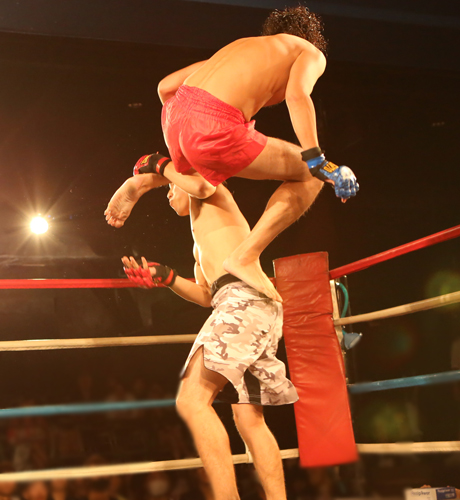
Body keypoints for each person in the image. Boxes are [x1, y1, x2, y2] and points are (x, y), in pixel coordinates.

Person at [105, 6, 359, 302]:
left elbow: (165, 88)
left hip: (174, 116)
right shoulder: (308, 51)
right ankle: (246, 256)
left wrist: (188, 129)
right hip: (214, 123)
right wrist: (317, 161)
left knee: (201, 177)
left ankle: (145, 179)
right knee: (309, 176)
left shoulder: (239, 49)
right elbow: (297, 95)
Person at [105, 171, 298, 500]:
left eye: (171, 187)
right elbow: (208, 296)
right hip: (251, 306)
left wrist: (158, 165)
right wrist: (166, 276)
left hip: (242, 303)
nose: (168, 194)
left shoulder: (211, 193)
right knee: (248, 417)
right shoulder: (202, 240)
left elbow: (198, 180)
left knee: (192, 401)